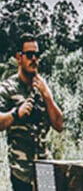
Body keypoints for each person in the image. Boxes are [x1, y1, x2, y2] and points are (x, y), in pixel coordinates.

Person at [0, 36, 64, 191]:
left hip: (45, 168)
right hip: (21, 170)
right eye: (29, 55)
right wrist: (15, 114)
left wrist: (47, 96)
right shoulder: (8, 88)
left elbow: (59, 125)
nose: (34, 59)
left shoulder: (42, 87)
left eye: (36, 55)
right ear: (19, 58)